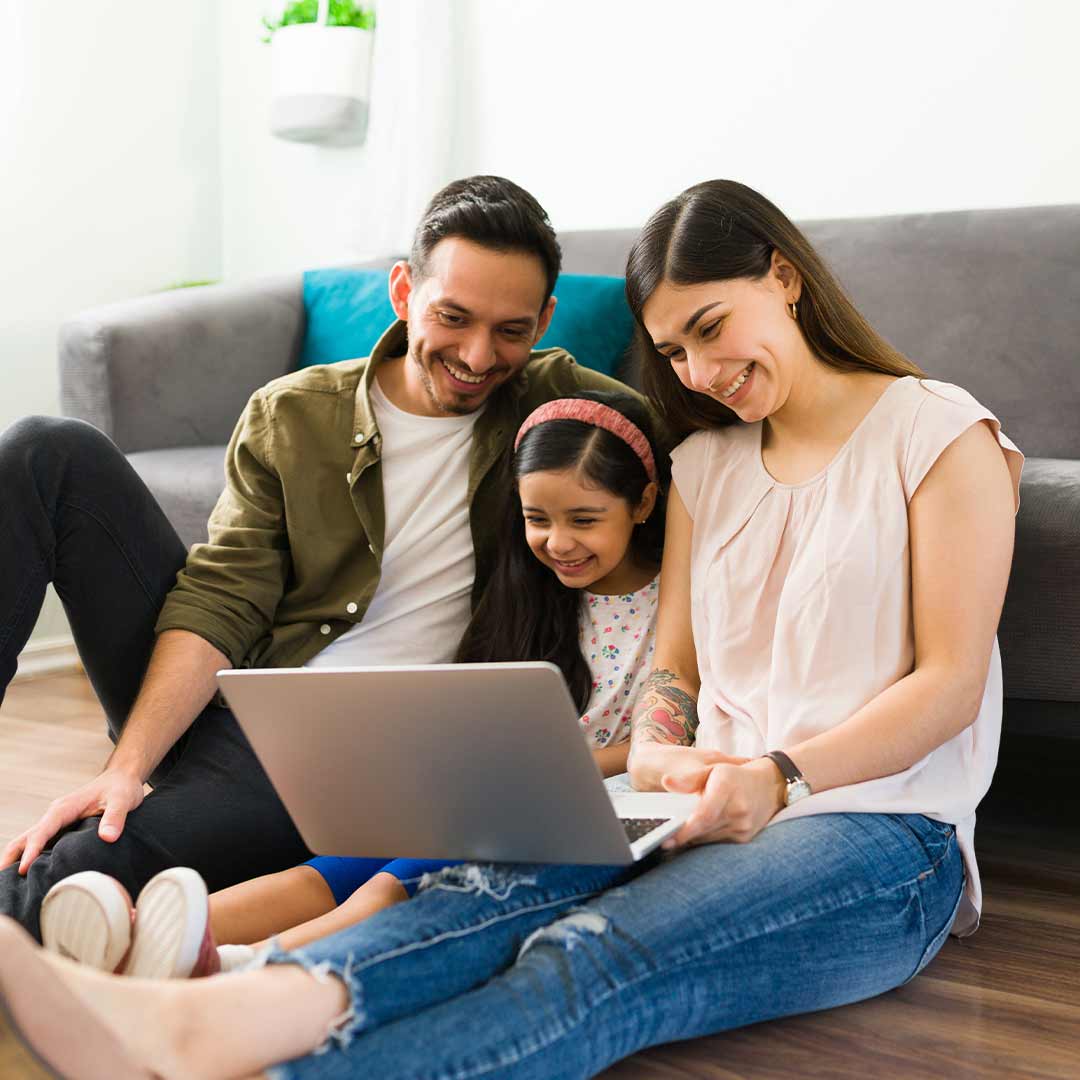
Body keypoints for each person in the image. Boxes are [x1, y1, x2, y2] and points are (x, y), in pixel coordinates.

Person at [0, 179, 1022, 1080]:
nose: (701, 372)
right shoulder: (705, 464)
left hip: (878, 828)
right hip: (697, 804)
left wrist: (781, 775)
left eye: (712, 328)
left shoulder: (938, 434)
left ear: (785, 278)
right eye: (673, 350)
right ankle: (190, 1021)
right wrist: (660, 754)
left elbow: (948, 686)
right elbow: (674, 665)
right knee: (465, 895)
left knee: (588, 951)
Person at [0, 175, 639, 939]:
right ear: (403, 291)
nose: (477, 355)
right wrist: (126, 768)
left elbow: (709, 449)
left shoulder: (562, 406)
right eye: (454, 317)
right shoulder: (295, 411)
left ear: (545, 320)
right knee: (47, 450)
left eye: (511, 330)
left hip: (342, 768)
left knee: (68, 874)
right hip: (232, 689)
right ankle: (154, 780)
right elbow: (222, 598)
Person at [39, 389, 668, 973]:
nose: (557, 543)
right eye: (538, 519)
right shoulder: (530, 595)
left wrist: (557, 767)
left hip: (596, 804)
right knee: (320, 874)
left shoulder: (672, 608)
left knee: (383, 890)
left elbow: (662, 743)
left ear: (642, 503)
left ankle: (236, 966)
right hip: (492, 791)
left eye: (584, 520)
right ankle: (129, 935)